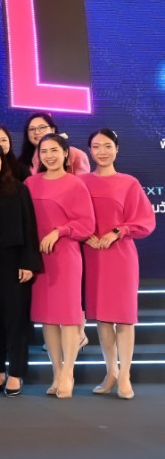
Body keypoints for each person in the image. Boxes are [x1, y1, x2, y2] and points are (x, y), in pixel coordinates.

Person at [82, 129, 155, 400]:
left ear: (117, 149)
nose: (102, 151)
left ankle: (125, 376)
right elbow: (74, 216)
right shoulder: (81, 182)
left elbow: (145, 221)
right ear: (89, 150)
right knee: (102, 318)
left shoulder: (129, 183)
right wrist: (84, 235)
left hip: (121, 256)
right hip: (92, 256)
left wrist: (118, 231)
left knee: (124, 318)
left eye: (107, 146)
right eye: (96, 146)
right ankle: (111, 372)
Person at [25, 134, 95, 398]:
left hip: (65, 256)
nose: (49, 156)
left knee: (68, 317)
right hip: (39, 259)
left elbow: (86, 224)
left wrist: (60, 231)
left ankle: (68, 373)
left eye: (55, 150)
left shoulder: (75, 184)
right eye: (44, 151)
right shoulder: (30, 183)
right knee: (48, 318)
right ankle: (56, 372)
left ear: (66, 153)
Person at [0, 141, 42, 397]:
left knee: (16, 318)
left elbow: (29, 227)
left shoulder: (18, 189)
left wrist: (28, 262)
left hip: (13, 259)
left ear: (3, 162)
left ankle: (16, 373)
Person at [21, 112, 90, 178]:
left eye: (42, 127)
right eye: (32, 129)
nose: (37, 132)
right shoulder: (23, 160)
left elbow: (82, 182)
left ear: (53, 130)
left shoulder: (75, 154)